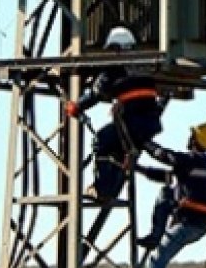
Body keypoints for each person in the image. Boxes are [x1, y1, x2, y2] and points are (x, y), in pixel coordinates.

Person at [114, 123, 206, 268]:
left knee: (156, 262)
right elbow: (167, 176)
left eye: (192, 136)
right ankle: (155, 236)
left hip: (190, 222)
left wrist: (144, 143)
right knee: (166, 193)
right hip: (200, 222)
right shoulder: (205, 163)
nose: (189, 138)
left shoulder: (190, 160)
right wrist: (138, 168)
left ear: (196, 141)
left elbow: (164, 156)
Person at [65, 26, 164, 201]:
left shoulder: (114, 67)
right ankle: (111, 186)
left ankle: (102, 189)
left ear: (116, 48)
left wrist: (77, 106)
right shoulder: (144, 65)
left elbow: (98, 91)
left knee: (101, 141)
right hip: (150, 124)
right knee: (119, 150)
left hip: (132, 123)